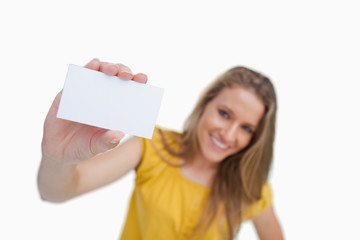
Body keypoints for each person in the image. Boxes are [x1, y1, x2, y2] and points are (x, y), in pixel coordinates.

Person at [38, 58, 284, 240]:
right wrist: (56, 158)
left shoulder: (251, 187)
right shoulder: (153, 145)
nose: (229, 135)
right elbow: (55, 193)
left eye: (247, 128)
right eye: (224, 114)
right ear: (206, 103)